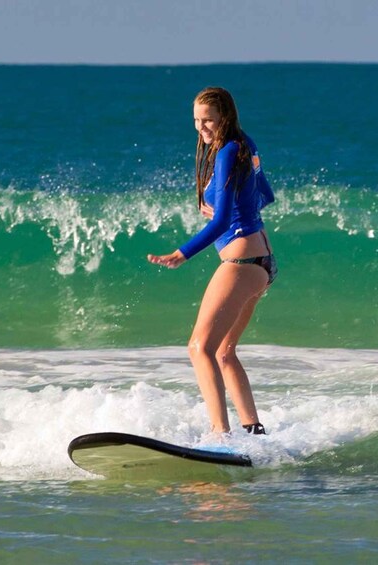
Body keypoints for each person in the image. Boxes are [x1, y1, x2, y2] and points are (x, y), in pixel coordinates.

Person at [147, 87, 276, 436]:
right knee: (224, 351)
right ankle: (254, 432)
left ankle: (220, 434)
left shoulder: (227, 151)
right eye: (196, 121)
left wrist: (181, 253)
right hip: (261, 262)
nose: (202, 128)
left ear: (225, 118)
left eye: (208, 120)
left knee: (199, 347)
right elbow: (265, 195)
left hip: (241, 262)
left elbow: (220, 223)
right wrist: (235, 209)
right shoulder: (245, 144)